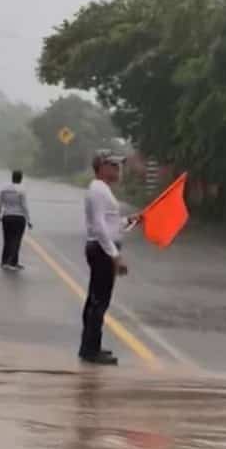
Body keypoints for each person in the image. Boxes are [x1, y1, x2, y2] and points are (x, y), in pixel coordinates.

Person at [79, 149, 133, 365]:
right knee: (99, 302)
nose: (118, 169)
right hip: (101, 250)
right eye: (114, 165)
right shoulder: (99, 190)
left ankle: (90, 347)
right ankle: (91, 350)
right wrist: (115, 255)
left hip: (101, 248)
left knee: (95, 300)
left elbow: (110, 223)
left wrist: (129, 221)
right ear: (101, 167)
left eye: (119, 165)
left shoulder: (102, 190)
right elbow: (100, 227)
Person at [0, 170, 32, 270]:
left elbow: (0, 203)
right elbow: (24, 206)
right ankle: (12, 262)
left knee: (7, 240)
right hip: (19, 218)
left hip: (6, 217)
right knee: (16, 240)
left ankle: (4, 262)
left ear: (12, 177)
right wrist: (28, 220)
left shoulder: (4, 189)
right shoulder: (21, 190)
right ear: (21, 178)